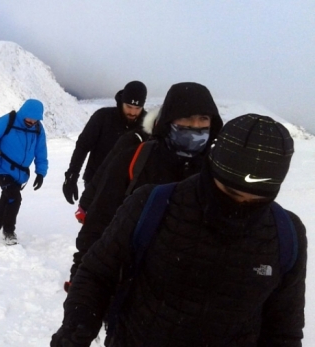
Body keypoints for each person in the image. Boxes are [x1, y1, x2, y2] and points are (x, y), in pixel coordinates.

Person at [52, 114, 306, 347]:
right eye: (229, 192)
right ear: (211, 169)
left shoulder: (286, 234)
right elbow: (97, 273)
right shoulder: (152, 204)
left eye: (256, 201)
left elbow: (283, 330)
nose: (239, 206)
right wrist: (76, 330)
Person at [66, 82, 224, 286]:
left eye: (203, 119)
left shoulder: (216, 172)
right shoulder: (130, 148)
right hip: (104, 185)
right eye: (186, 118)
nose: (195, 127)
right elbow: (88, 152)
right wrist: (74, 179)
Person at [63, 81, 147, 218]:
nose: (132, 112)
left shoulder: (147, 125)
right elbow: (83, 146)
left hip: (129, 188)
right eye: (129, 106)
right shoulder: (102, 117)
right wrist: (72, 175)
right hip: (96, 183)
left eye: (137, 108)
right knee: (95, 229)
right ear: (122, 101)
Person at [0, 99, 48, 244]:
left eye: (35, 119)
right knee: (14, 198)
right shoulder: (7, 121)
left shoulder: (38, 129)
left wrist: (41, 172)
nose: (32, 122)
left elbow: (41, 152)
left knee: (6, 200)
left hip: (20, 172)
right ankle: (9, 231)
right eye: (30, 118)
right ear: (24, 113)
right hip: (1, 167)